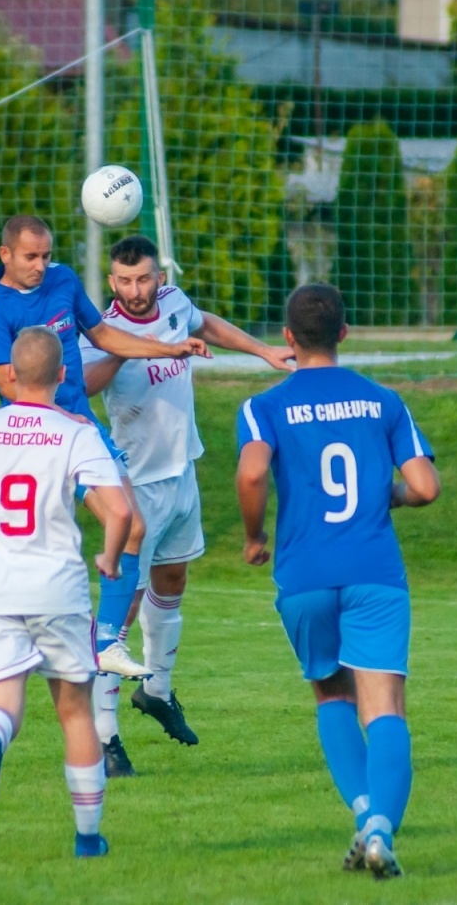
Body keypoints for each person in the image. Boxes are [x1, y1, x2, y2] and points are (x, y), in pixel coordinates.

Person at [0, 215, 210, 707]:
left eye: (46, 255)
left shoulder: (63, 280)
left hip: (82, 432)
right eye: (31, 257)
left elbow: (104, 334)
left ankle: (105, 640)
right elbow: (7, 383)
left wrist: (167, 348)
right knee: (32, 561)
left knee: (130, 525)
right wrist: (58, 416)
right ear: (6, 254)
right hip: (34, 438)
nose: (41, 265)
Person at [234, 284, 441, 880]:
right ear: (344, 334)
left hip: (304, 575)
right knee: (386, 708)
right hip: (374, 571)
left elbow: (252, 473)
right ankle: (380, 831)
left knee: (330, 694)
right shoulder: (383, 401)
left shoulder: (263, 407)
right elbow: (425, 487)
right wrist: (387, 495)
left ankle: (364, 813)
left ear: (288, 338)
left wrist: (254, 536)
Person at [80, 235, 293, 776]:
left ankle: (156, 690)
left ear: (159, 276)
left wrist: (264, 351)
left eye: (143, 279)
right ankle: (104, 738)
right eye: (124, 281)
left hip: (182, 473)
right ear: (112, 282)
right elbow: (84, 384)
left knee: (172, 580)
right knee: (122, 610)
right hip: (134, 484)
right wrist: (123, 346)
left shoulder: (174, 303)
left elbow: (206, 323)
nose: (135, 290)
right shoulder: (101, 330)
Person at [0, 326, 133, 857]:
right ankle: (88, 838)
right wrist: (110, 557)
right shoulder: (75, 433)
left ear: (12, 376)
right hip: (57, 590)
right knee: (75, 712)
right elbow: (120, 511)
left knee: (3, 701)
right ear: (62, 374)